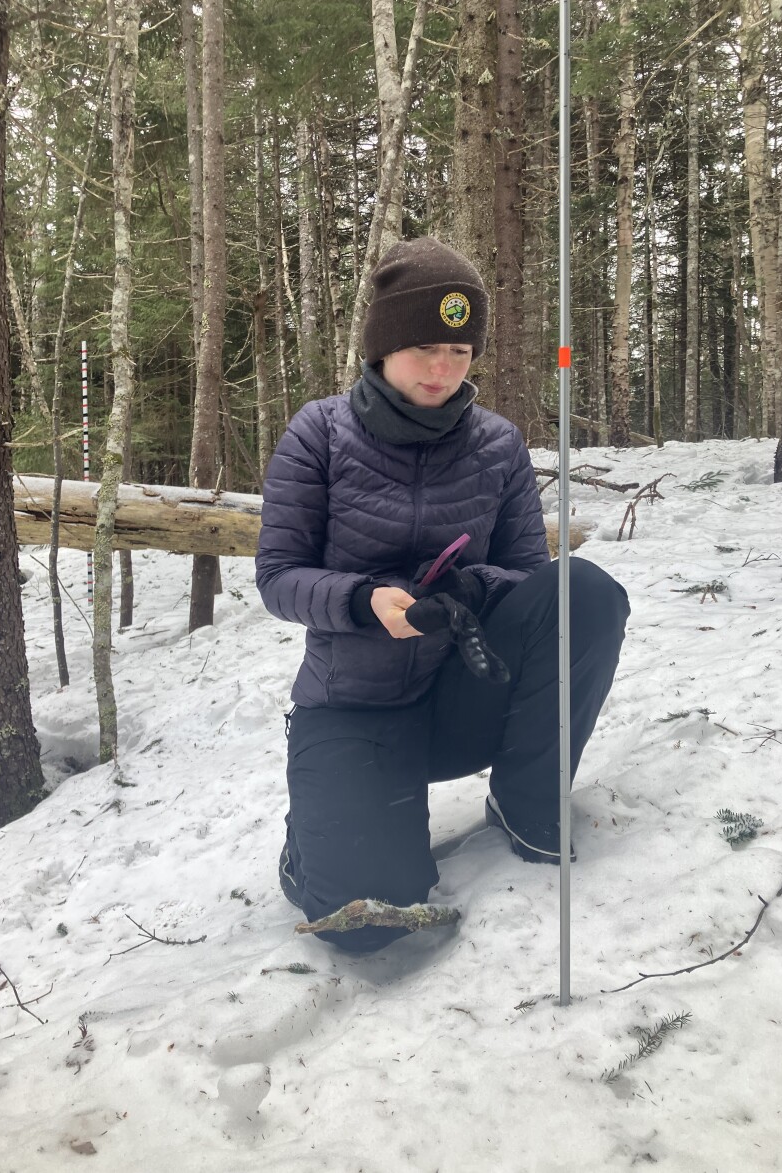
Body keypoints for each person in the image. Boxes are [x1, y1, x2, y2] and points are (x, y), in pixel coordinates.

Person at [255, 237, 629, 953]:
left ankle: (526, 803)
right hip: (355, 705)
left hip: (463, 691)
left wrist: (464, 587)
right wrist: (367, 599)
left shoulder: (498, 444)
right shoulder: (320, 433)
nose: (443, 368)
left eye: (459, 352)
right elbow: (278, 576)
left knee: (585, 591)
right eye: (426, 345)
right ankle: (313, 844)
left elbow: (530, 581)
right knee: (366, 923)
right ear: (383, 345)